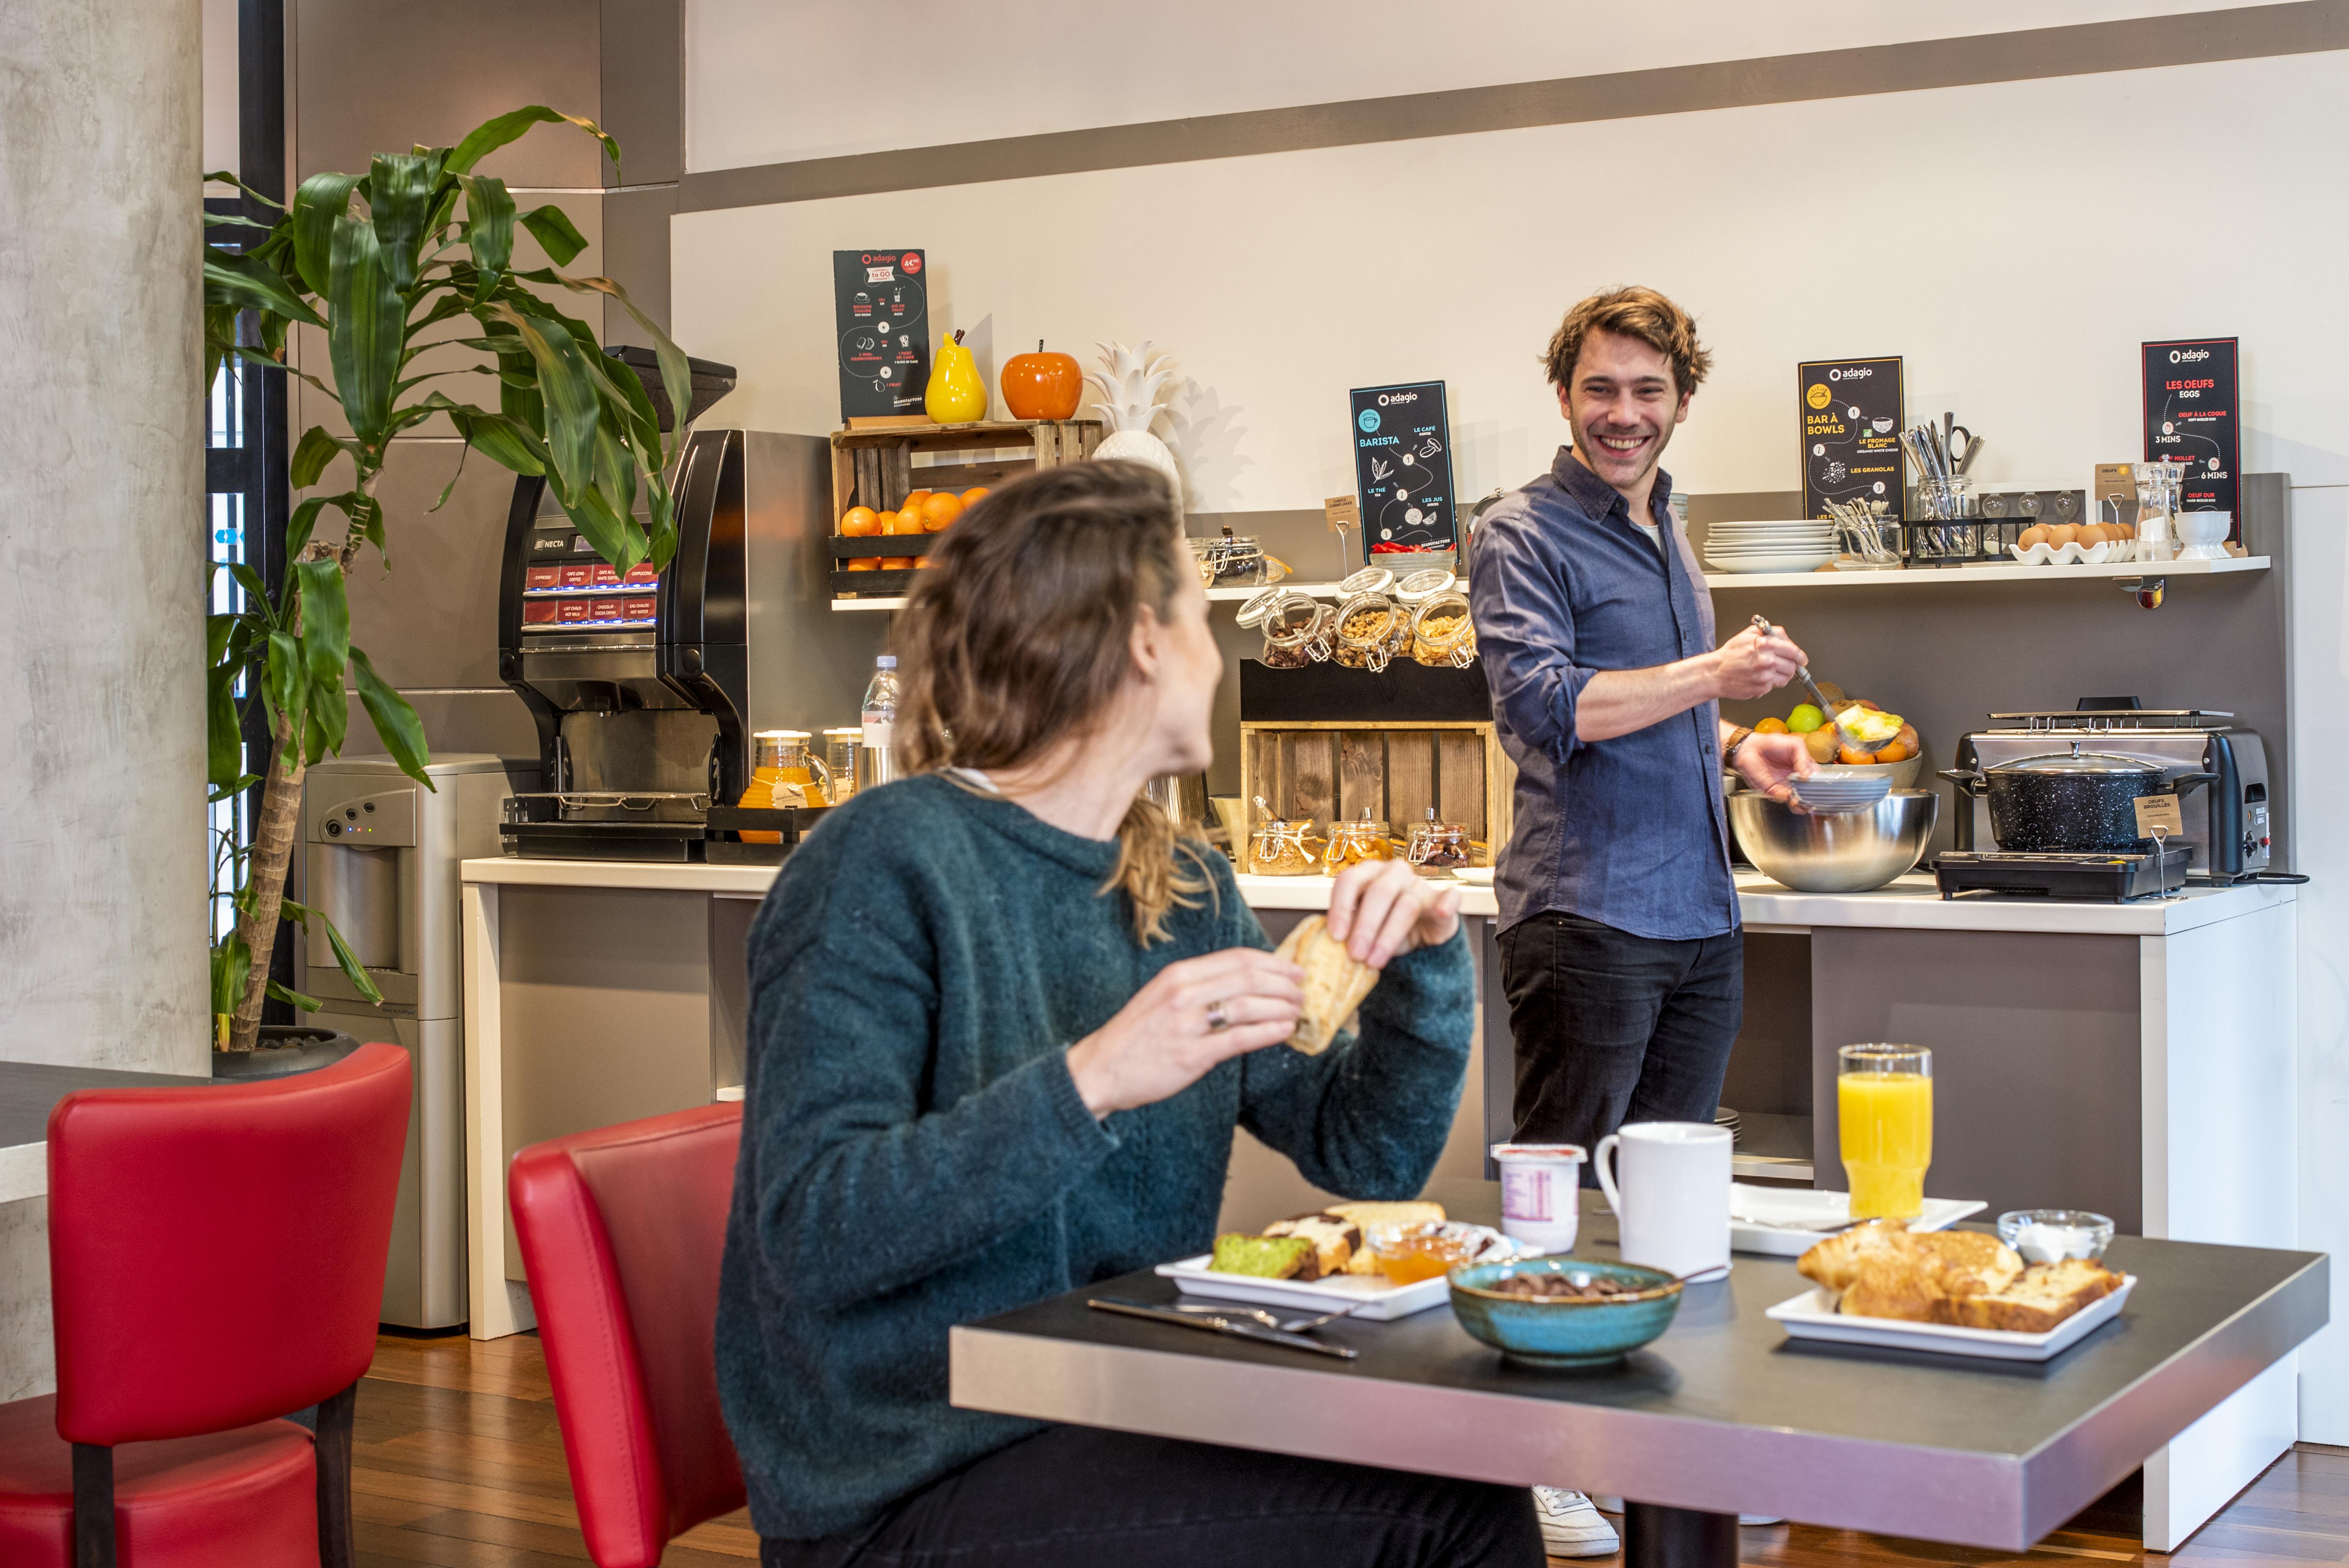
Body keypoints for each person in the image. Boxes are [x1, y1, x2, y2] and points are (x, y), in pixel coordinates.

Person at [718, 461, 1542, 1568]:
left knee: (1453, 1459)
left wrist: (1425, 972)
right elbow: (814, 1234)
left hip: (1120, 1403)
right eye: (1205, 619)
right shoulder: (882, 863)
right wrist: (1094, 1076)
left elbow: (1368, 1152)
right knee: (1453, 1513)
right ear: (1146, 641)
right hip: (907, 1480)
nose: (1220, 656)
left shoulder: (1185, 887)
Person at [1467, 288, 1812, 1553]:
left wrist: (1736, 746)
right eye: (1601, 388)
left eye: (1648, 391)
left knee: (1669, 1208)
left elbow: (1657, 708)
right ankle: (1537, 1461)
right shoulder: (1520, 533)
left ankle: (1654, 1457)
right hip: (1585, 914)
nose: (1624, 414)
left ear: (1679, 401)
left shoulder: (1668, 523)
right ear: (1564, 394)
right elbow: (1548, 706)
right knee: (1552, 1189)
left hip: (1696, 914)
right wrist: (1713, 676)